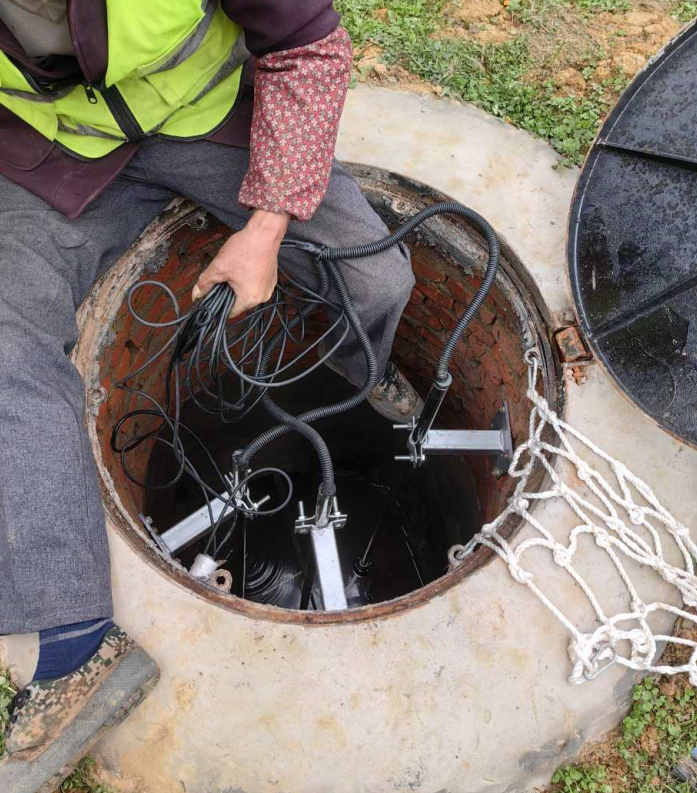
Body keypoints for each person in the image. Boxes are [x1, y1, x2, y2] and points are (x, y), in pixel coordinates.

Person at [0, 0, 423, 786]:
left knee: (370, 274)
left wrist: (263, 231)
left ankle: (357, 383)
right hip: (58, 161)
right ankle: (75, 639)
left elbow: (308, 46)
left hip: (209, 124)